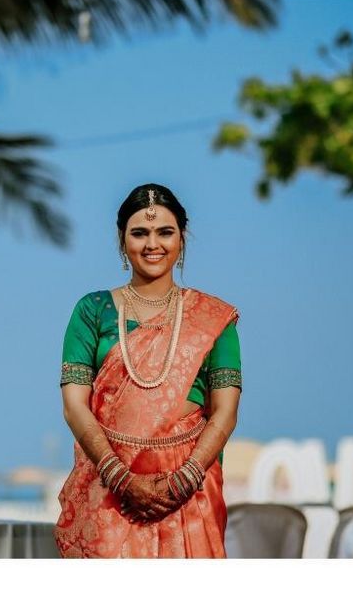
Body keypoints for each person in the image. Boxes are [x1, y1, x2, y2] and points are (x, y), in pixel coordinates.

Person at [54, 184, 243, 558]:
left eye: (165, 232)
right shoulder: (93, 311)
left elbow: (225, 412)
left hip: (189, 496)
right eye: (139, 233)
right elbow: (75, 406)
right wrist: (121, 478)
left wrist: (183, 481)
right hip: (108, 495)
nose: (152, 244)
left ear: (182, 238)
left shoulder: (214, 320)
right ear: (122, 240)